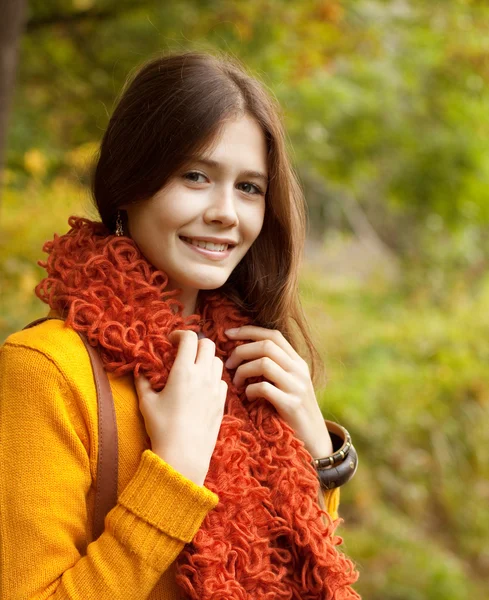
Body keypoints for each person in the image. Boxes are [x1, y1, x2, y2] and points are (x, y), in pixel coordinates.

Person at [0, 50, 360, 599]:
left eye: (249, 187)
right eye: (195, 176)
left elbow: (304, 568)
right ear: (128, 184)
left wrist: (319, 454)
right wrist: (173, 479)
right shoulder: (47, 371)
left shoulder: (250, 361)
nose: (226, 212)